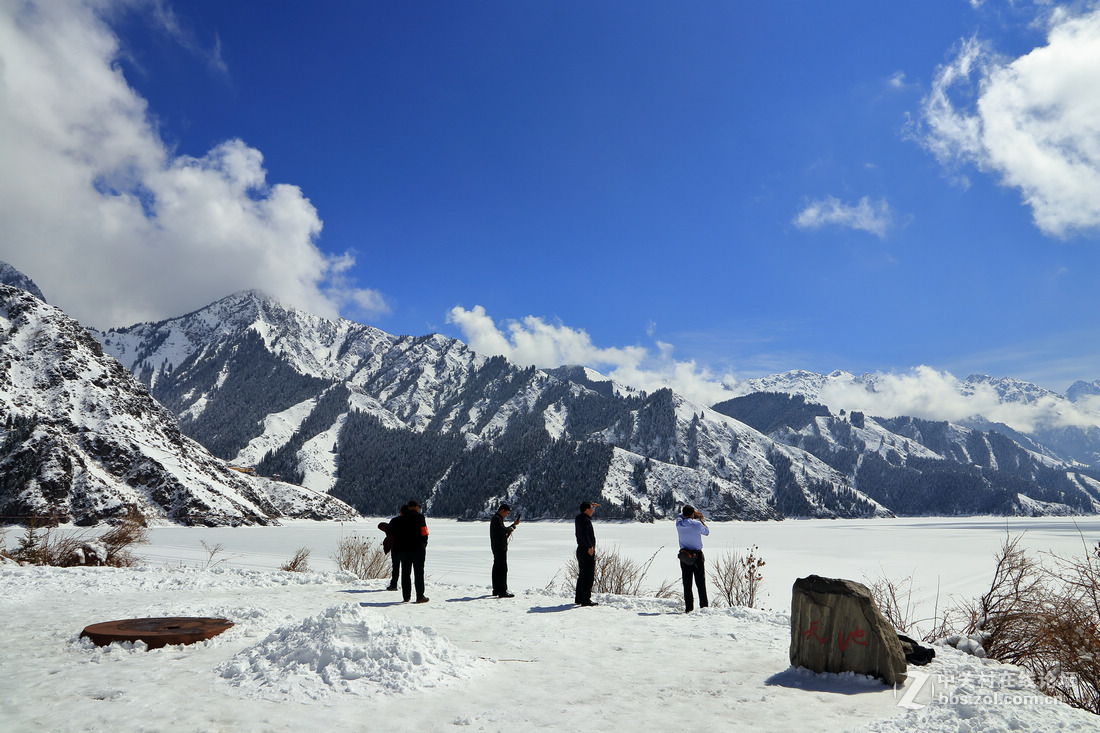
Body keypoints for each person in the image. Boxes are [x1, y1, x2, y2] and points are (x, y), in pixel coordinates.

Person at [394, 499, 429, 603]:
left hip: (404, 549)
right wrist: (424, 544)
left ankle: (406, 596)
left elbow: (397, 534)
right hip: (418, 549)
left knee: (405, 573)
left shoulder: (401, 519)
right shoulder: (420, 517)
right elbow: (424, 532)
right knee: (419, 573)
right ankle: (420, 596)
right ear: (416, 507)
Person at [676, 504, 710, 613]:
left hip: (684, 555)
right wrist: (700, 519)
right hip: (697, 556)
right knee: (700, 582)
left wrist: (690, 513)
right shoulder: (697, 524)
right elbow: (707, 532)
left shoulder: (679, 524)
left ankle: (689, 608)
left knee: (687, 583)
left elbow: (680, 516)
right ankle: (704, 607)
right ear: (692, 514)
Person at [489, 503, 520, 597]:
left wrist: (513, 526)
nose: (506, 515)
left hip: (497, 546)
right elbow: (503, 530)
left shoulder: (497, 519)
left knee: (497, 568)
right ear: (502, 510)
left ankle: (496, 590)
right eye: (506, 513)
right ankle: (502, 591)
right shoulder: (496, 519)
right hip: (500, 547)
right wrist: (513, 526)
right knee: (502, 569)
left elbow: (503, 531)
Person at [574, 501, 600, 607]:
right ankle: (585, 600)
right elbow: (585, 535)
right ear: (587, 510)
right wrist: (590, 546)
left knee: (582, 574)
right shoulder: (585, 521)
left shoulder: (579, 518)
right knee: (588, 576)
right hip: (586, 550)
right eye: (591, 509)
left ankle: (579, 598)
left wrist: (590, 505)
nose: (593, 511)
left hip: (580, 549)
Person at [378, 505, 407, 591]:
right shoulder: (411, 522)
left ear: (400, 512)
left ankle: (393, 585)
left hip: (395, 548)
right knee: (406, 569)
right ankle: (406, 586)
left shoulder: (394, 521)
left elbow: (386, 530)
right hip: (407, 548)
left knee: (395, 568)